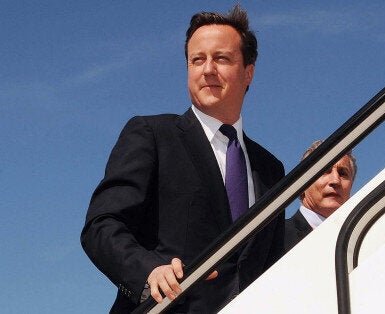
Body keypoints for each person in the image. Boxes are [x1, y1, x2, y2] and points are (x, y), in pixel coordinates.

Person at [80, 5, 285, 313]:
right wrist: (148, 271)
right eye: (197, 60)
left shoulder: (271, 169)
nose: (207, 69)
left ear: (248, 72)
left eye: (221, 58)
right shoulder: (152, 134)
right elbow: (102, 226)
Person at [285, 140, 357, 251]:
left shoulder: (360, 240)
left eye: (343, 173)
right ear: (302, 184)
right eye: (325, 170)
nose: (335, 180)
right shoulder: (277, 236)